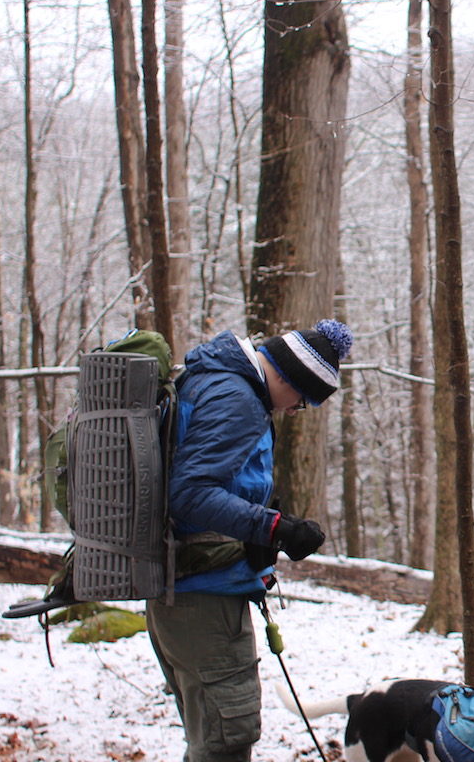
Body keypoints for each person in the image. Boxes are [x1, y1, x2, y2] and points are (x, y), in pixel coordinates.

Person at [145, 319, 353, 762]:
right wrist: (274, 528)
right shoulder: (237, 400)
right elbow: (190, 495)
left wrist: (254, 536)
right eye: (302, 398)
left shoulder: (213, 380)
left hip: (186, 591)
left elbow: (210, 483)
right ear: (285, 376)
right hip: (203, 600)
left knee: (211, 740)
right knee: (227, 742)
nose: (296, 410)